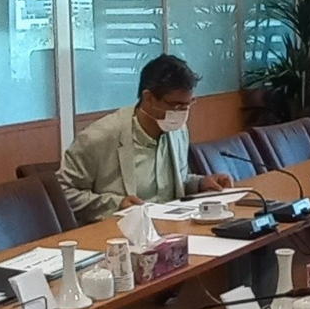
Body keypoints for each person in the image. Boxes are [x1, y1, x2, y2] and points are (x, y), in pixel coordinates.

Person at [57, 54, 236, 221]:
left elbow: (174, 184)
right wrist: (117, 204)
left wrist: (200, 183)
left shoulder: (177, 130)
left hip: (172, 227)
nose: (182, 113)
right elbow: (63, 194)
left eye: (188, 105)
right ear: (148, 98)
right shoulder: (98, 138)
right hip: (120, 231)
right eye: (176, 105)